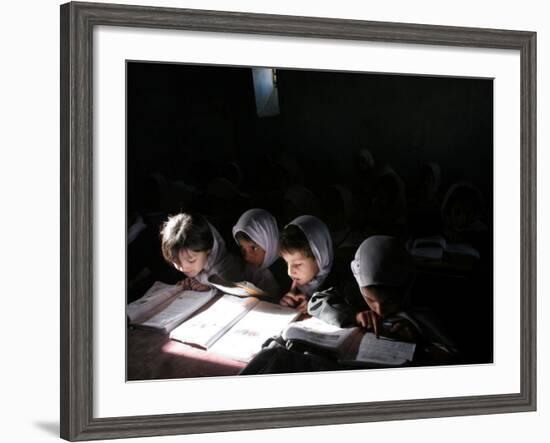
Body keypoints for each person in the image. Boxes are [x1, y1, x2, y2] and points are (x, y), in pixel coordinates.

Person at [308, 235, 458, 361]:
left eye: (390, 301)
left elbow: (451, 352)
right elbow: (316, 301)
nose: (379, 310)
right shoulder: (353, 290)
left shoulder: (425, 298)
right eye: (370, 300)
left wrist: (417, 337)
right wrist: (354, 315)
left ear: (406, 287)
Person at [160, 212, 243, 291]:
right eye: (176, 261)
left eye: (191, 260)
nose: (183, 268)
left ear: (208, 250)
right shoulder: (183, 255)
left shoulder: (231, 269)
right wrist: (190, 282)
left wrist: (211, 287)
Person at [278, 215, 334, 313]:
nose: (290, 272)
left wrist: (315, 307)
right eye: (287, 263)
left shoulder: (341, 285)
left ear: (320, 256)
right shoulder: (286, 283)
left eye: (298, 264)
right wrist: (286, 303)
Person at [232, 208, 283, 299]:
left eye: (254, 248)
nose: (247, 257)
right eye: (242, 248)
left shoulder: (284, 272)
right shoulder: (249, 267)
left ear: (268, 241)